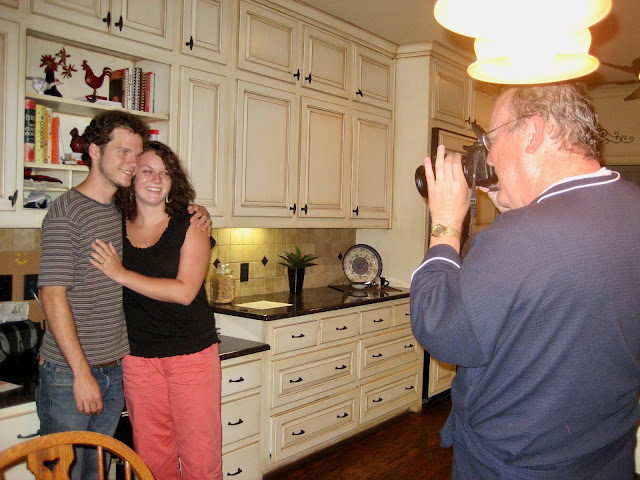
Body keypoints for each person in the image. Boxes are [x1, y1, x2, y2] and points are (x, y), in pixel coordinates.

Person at [410, 83, 640, 479]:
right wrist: (516, 205)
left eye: (491, 140)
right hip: (607, 455)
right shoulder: (631, 204)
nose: (489, 157)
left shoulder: (521, 236)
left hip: (516, 464)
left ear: (532, 133)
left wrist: (445, 222)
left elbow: (440, 329)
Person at [37, 111, 211, 480]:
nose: (132, 164)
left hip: (118, 367)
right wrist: (81, 373)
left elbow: (182, 287)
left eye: (137, 154)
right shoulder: (67, 212)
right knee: (72, 473)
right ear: (94, 151)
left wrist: (199, 210)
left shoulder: (116, 211)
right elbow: (52, 296)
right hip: (74, 373)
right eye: (124, 153)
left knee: (100, 471)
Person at [90, 141, 222, 480]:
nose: (156, 179)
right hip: (138, 359)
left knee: (200, 458)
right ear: (132, 177)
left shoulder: (191, 223)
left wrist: (121, 274)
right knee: (151, 461)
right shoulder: (113, 225)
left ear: (173, 181)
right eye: (147, 170)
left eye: (165, 173)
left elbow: (185, 292)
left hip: (191, 355)